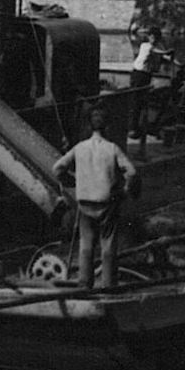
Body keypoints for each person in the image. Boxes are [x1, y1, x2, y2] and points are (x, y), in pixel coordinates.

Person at [50, 109, 139, 289]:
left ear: (90, 126)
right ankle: (108, 285)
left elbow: (57, 168)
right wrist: (125, 190)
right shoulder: (112, 148)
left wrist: (71, 181)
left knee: (86, 245)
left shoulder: (80, 148)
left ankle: (84, 285)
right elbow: (132, 172)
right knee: (108, 245)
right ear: (106, 126)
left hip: (84, 202)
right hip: (106, 202)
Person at [128, 26, 173, 138]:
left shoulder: (156, 48)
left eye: (156, 38)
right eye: (152, 37)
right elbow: (157, 52)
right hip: (138, 75)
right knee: (136, 101)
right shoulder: (146, 46)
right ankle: (132, 128)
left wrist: (178, 63)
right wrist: (167, 51)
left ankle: (142, 126)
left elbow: (164, 59)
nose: (154, 40)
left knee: (144, 101)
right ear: (149, 37)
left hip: (146, 76)